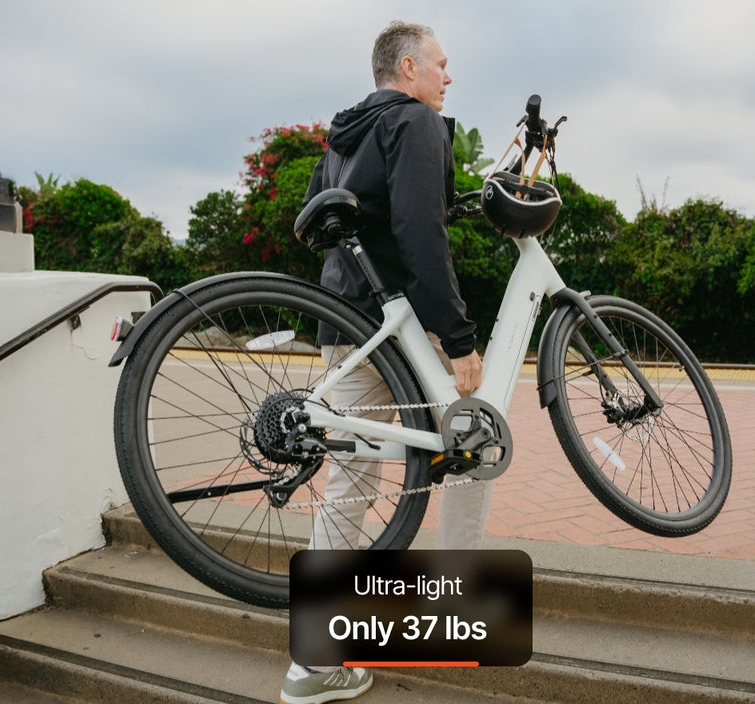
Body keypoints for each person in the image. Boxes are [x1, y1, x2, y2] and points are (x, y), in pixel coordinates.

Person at [280, 20, 495, 704]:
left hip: (344, 325)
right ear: (408, 69)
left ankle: (311, 665)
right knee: (476, 441)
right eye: (440, 64)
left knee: (350, 480)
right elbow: (419, 232)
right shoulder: (415, 121)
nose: (447, 77)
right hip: (400, 327)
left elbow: (334, 221)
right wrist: (458, 338)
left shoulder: (343, 137)